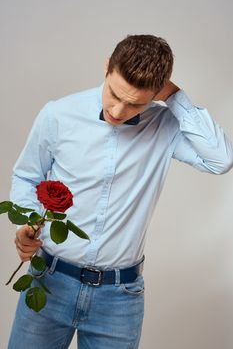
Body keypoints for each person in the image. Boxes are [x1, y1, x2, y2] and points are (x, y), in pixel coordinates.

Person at [7, 34, 233, 349]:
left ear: (157, 92)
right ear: (106, 68)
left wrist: (175, 97)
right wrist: (26, 223)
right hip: (49, 282)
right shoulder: (58, 115)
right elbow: (26, 175)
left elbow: (221, 160)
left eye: (136, 103)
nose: (118, 109)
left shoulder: (164, 127)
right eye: (114, 93)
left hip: (119, 299)